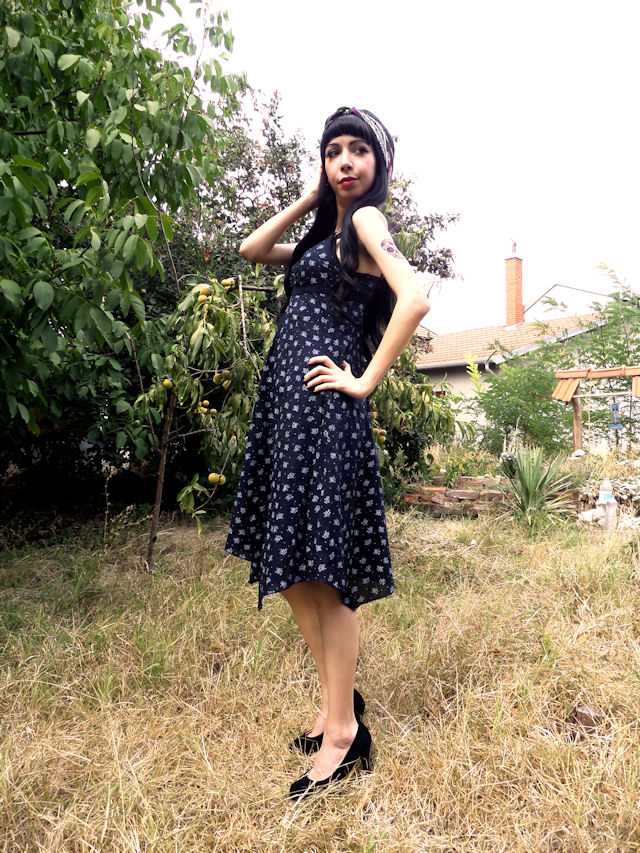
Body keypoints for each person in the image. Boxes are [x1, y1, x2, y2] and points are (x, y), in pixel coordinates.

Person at [224, 107, 430, 800]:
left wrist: (364, 379)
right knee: (292, 569)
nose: (345, 161)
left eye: (358, 151)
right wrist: (310, 197)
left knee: (324, 573)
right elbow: (252, 249)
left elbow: (415, 298)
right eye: (333, 151)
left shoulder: (367, 222)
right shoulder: (329, 236)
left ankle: (344, 733)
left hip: (324, 412)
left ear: (379, 164)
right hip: (289, 413)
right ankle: (339, 702)